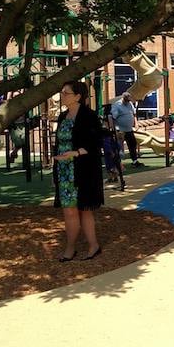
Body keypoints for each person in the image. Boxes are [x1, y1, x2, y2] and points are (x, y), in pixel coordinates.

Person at [53, 81, 104, 262]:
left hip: (83, 169)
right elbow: (59, 143)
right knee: (70, 211)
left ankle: (93, 245)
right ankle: (71, 248)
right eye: (62, 92)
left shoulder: (89, 116)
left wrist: (75, 153)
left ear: (77, 96)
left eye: (66, 93)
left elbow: (95, 142)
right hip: (65, 170)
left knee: (85, 209)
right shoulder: (62, 117)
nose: (62, 95)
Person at [110, 92, 144, 167]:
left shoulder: (130, 103)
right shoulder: (117, 105)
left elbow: (134, 114)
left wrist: (136, 123)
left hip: (129, 129)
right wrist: (115, 130)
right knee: (120, 148)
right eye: (126, 101)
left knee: (133, 144)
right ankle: (118, 164)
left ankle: (134, 161)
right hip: (120, 129)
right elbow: (112, 118)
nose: (128, 102)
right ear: (123, 99)